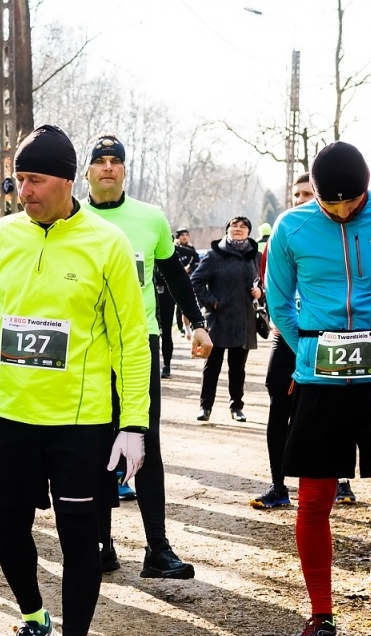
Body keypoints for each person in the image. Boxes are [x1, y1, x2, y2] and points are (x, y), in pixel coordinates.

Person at [0, 124, 152, 636]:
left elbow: (132, 342)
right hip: (10, 415)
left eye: (33, 180)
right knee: (7, 530)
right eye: (19, 179)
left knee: (80, 540)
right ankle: (34, 620)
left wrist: (134, 425)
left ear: (64, 180)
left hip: (81, 426)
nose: (22, 190)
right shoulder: (0, 239)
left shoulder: (105, 244)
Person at [264, 141, 371, 636]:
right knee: (314, 499)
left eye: (349, 202)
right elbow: (279, 300)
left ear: (366, 186)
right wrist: (306, 347)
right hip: (320, 379)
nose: (340, 211)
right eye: (330, 205)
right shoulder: (293, 226)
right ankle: (321, 615)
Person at [84, 134, 212, 579]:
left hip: (141, 343)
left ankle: (158, 550)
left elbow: (175, 274)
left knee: (146, 444)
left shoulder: (150, 217)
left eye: (114, 161)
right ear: (86, 172)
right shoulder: (72, 218)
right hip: (89, 350)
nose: (107, 167)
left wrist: (197, 323)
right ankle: (101, 547)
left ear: (124, 170)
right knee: (97, 446)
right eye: (98, 161)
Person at [253, 174, 309, 509]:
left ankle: (340, 482)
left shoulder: (336, 234)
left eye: (308, 193)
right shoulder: (282, 233)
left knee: (327, 410)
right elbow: (273, 289)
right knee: (278, 403)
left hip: (325, 337)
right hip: (285, 333)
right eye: (297, 194)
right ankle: (278, 486)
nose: (301, 199)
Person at [190, 217, 262, 422]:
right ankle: (205, 407)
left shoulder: (255, 256)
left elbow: (264, 281)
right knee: (212, 366)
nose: (238, 229)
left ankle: (237, 407)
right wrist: (212, 302)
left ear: (249, 232)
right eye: (234, 226)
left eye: (243, 226)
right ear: (227, 230)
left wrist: (260, 292)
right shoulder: (214, 255)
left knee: (238, 369)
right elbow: (196, 280)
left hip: (245, 321)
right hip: (219, 320)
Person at [163, 228, 199, 377]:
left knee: (181, 311)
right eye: (182, 235)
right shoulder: (157, 248)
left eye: (186, 235)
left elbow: (196, 258)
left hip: (181, 285)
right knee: (162, 330)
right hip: (159, 290)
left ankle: (166, 365)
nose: (184, 237)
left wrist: (188, 270)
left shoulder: (185, 249)